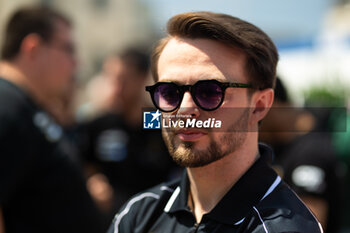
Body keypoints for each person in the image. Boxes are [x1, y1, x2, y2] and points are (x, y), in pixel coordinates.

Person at [107, 11, 323, 233]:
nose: (184, 109)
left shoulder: (285, 228)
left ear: (258, 106)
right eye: (169, 92)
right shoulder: (137, 215)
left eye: (210, 92)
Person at [0, 6, 105, 232]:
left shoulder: (22, 106)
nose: (76, 63)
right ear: (33, 48)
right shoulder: (6, 105)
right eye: (68, 49)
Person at [78, 49, 179, 217]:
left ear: (141, 79)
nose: (116, 88)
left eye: (123, 80)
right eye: (111, 79)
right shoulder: (99, 124)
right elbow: (84, 162)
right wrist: (93, 180)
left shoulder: (159, 122)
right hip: (112, 219)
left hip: (156, 218)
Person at [260, 78, 343, 233]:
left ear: (270, 104)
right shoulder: (279, 146)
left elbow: (309, 224)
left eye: (257, 110)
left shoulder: (312, 152)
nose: (251, 122)